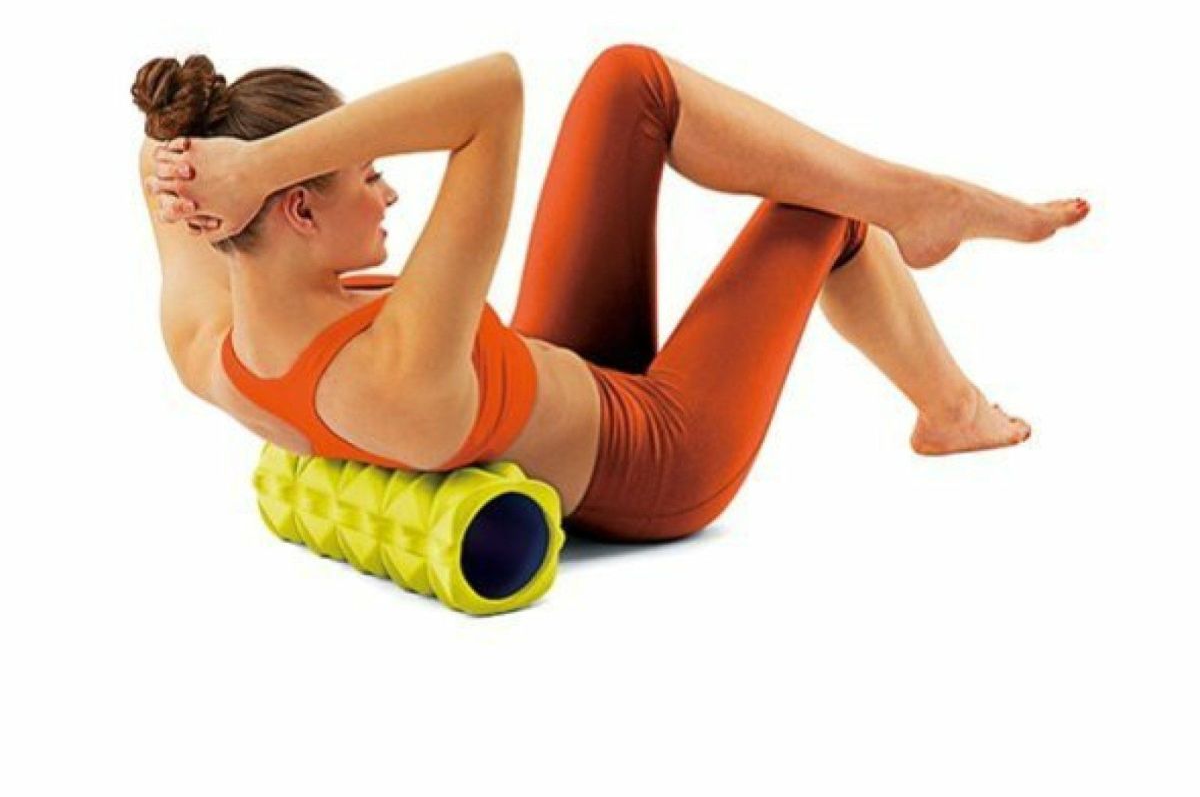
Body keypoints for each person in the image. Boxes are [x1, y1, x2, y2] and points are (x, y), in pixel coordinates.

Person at [135, 43, 1090, 543]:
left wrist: (227, 156)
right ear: (299, 208)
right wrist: (268, 161)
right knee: (821, 216)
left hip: (564, 369)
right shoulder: (394, 368)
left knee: (628, 82)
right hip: (663, 457)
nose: (389, 194)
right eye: (368, 175)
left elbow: (158, 165)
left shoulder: (210, 345)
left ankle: (918, 209)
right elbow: (493, 93)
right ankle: (953, 408)